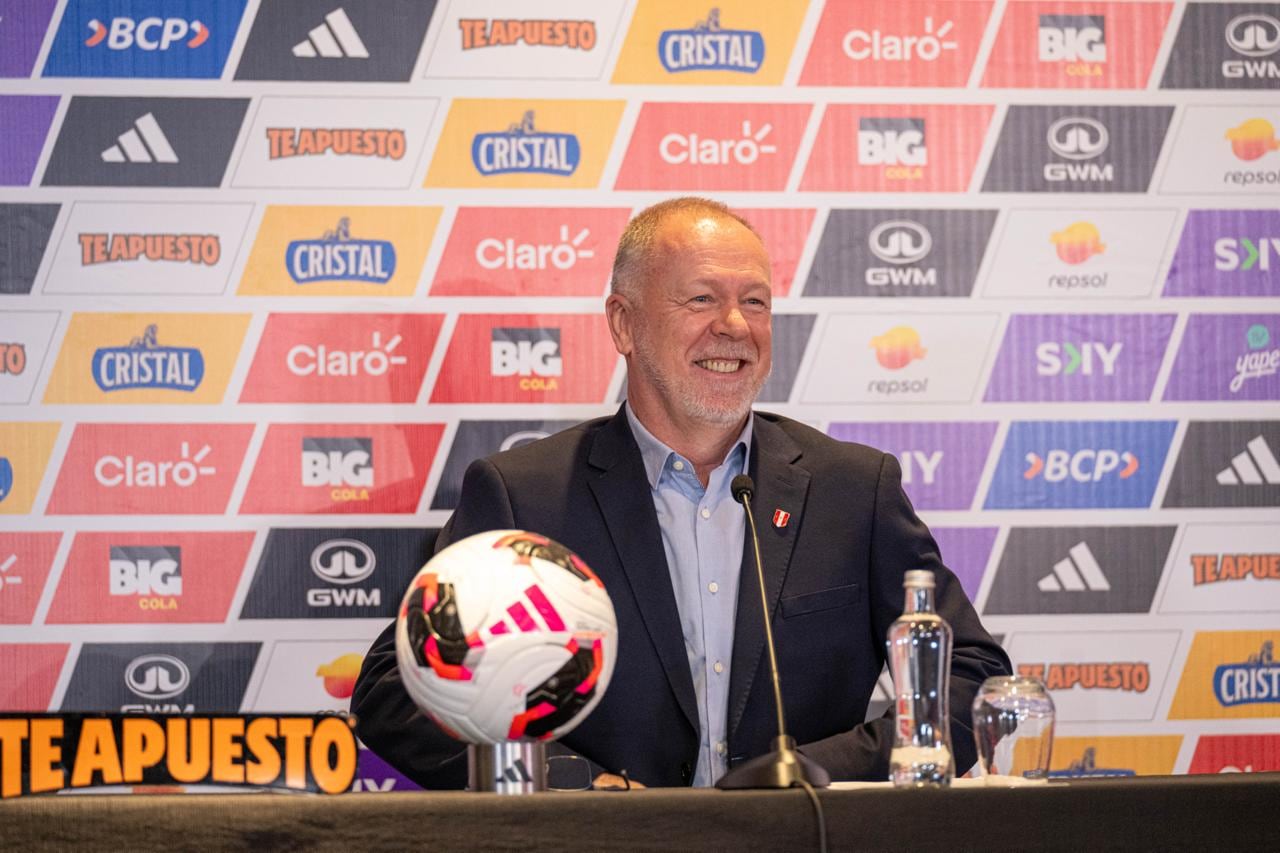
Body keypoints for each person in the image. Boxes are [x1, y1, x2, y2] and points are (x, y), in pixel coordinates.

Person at [352, 197, 1011, 789]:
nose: (734, 324)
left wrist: (823, 771)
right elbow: (395, 694)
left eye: (754, 301)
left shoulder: (853, 490)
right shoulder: (525, 496)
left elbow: (971, 670)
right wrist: (568, 785)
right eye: (700, 299)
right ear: (624, 325)